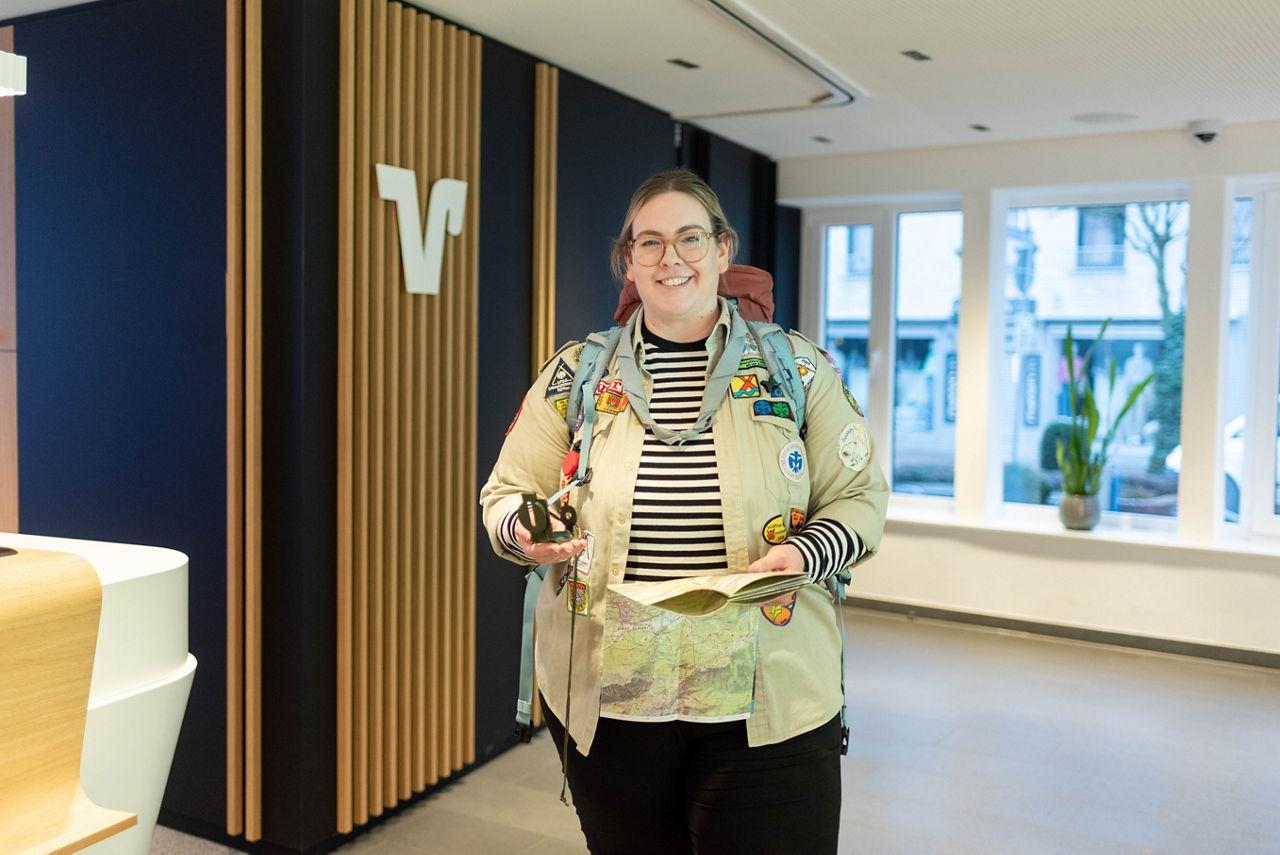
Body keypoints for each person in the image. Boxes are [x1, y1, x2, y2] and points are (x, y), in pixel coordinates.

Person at [480, 169, 888, 855]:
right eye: (650, 242)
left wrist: (804, 553)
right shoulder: (575, 374)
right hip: (613, 701)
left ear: (723, 250)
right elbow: (504, 495)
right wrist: (526, 530)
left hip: (767, 699)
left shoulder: (798, 370)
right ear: (629, 261)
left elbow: (860, 495)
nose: (672, 258)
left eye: (690, 237)